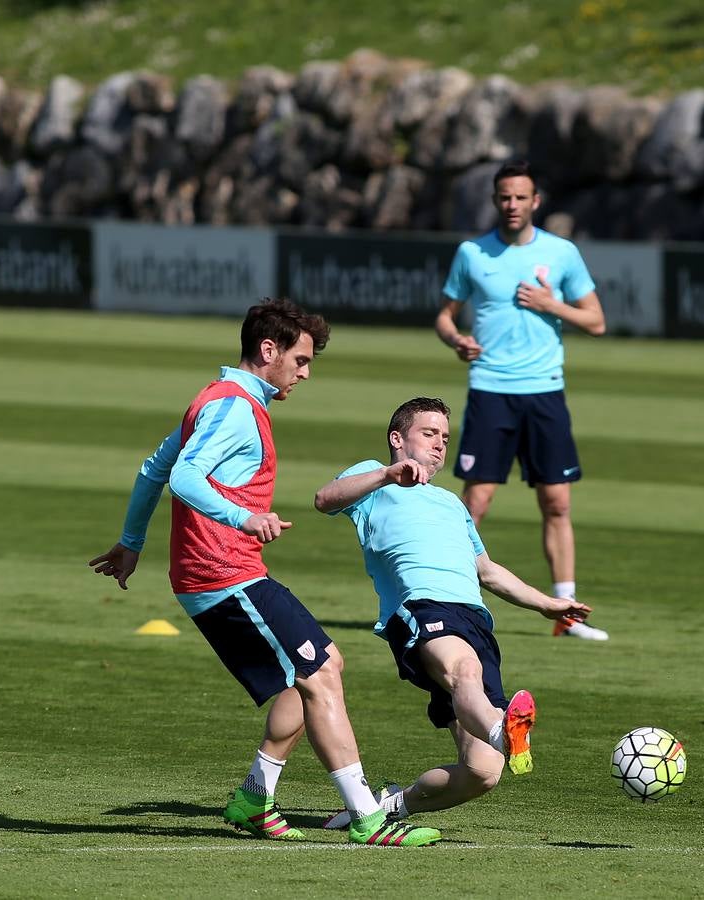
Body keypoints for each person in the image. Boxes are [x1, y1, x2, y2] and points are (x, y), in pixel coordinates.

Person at [89, 299, 441, 847]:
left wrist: (132, 543)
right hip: (222, 573)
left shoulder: (215, 397)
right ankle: (368, 818)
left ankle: (256, 795)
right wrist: (245, 517)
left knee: (317, 669)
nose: (306, 373)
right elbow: (183, 477)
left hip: (224, 572)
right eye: (300, 360)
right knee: (319, 674)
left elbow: (151, 470)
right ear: (268, 351)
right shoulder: (233, 407)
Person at [313, 397, 593, 827]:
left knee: (482, 772)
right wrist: (386, 474)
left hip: (475, 620)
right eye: (429, 433)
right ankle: (502, 730)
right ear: (397, 438)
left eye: (445, 437)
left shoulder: (451, 503)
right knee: (464, 669)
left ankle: (389, 806)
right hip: (421, 607)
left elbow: (486, 570)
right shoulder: (373, 481)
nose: (440, 444)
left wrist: (548, 604)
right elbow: (325, 499)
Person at [435, 160, 609, 640]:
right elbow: (445, 316)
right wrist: (457, 341)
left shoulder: (562, 253)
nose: (512, 205)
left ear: (536, 202)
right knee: (476, 502)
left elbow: (596, 321)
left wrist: (551, 304)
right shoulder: (472, 253)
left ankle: (568, 615)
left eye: (520, 197)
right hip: (491, 390)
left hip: (544, 391)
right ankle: (448, 597)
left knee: (556, 503)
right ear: (496, 201)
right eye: (504, 197)